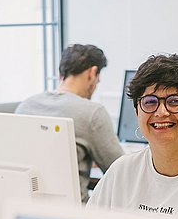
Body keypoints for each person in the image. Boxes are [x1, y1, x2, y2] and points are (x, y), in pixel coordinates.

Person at [87, 53, 178, 219]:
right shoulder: (121, 171)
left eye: (174, 101)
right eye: (150, 102)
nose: (161, 112)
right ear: (137, 112)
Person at [15, 43, 125, 203]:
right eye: (98, 81)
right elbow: (121, 172)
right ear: (92, 73)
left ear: (62, 73)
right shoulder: (91, 113)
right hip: (74, 216)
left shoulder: (25, 107)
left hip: (29, 210)